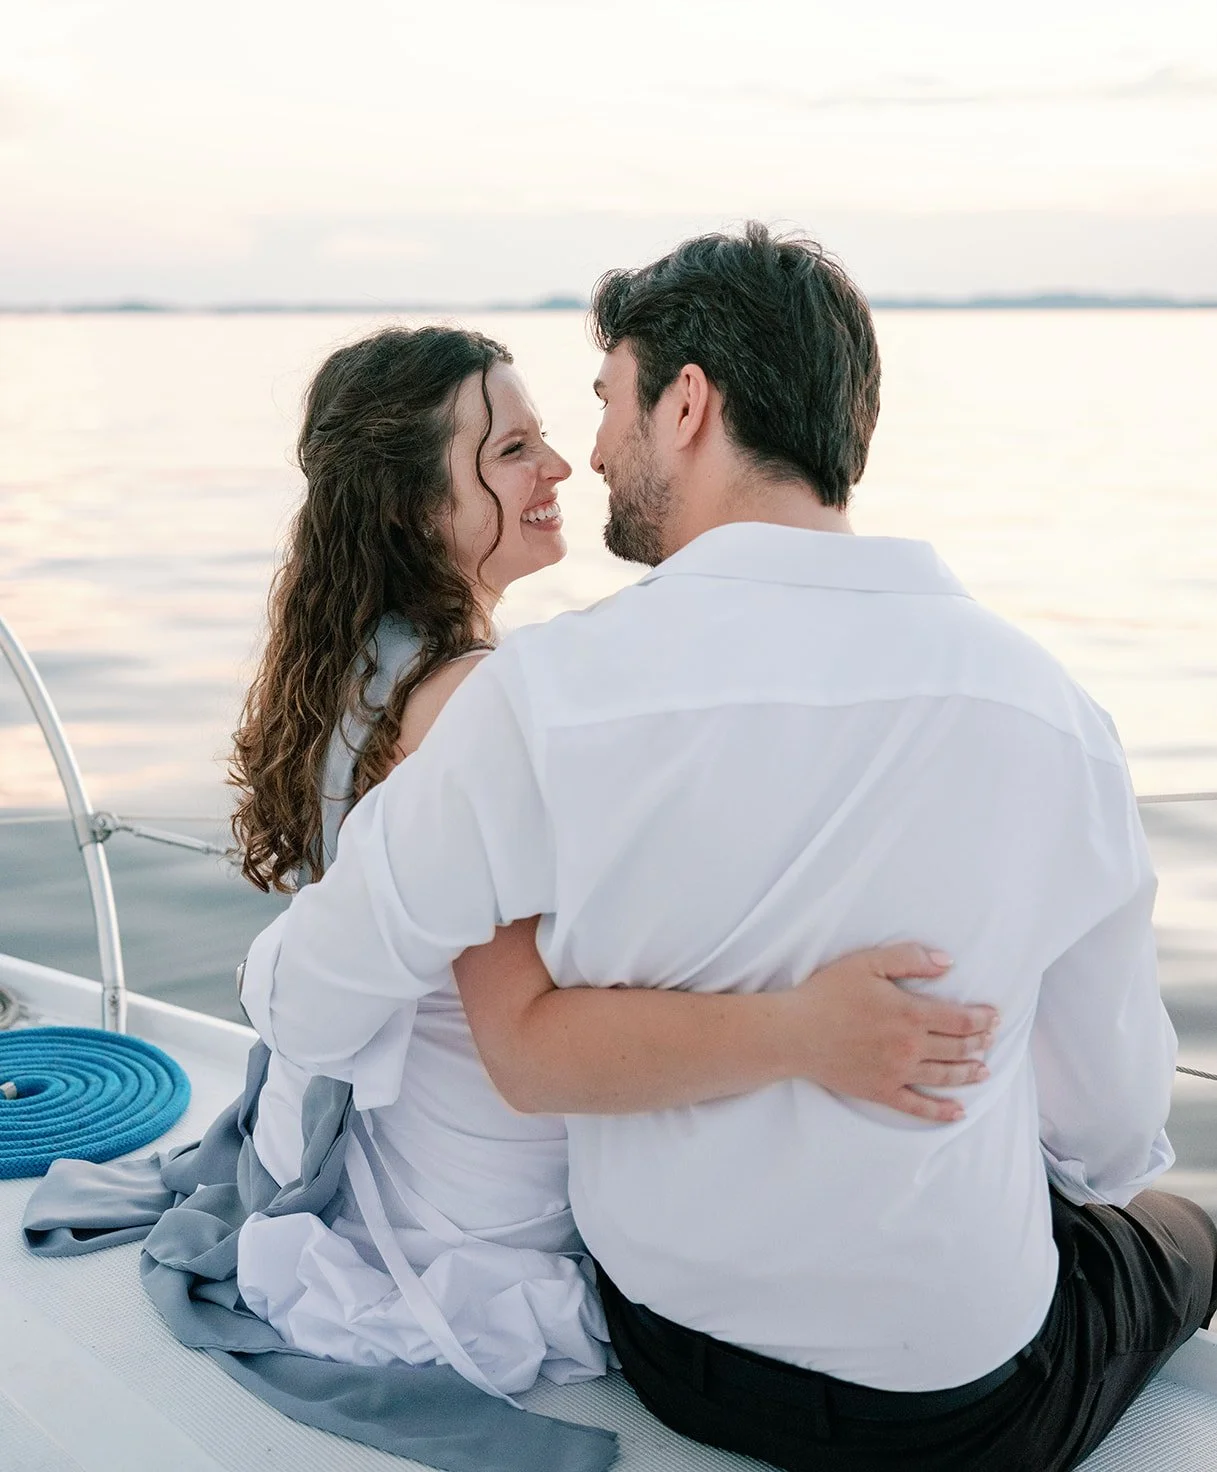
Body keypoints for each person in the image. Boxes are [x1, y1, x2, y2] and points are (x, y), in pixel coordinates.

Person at [239, 225, 1217, 1472]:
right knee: (1171, 1224)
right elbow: (1111, 1131)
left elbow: (302, 993)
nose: (590, 452)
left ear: (686, 405)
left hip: (672, 1354)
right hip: (954, 1407)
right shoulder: (1050, 713)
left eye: (607, 405)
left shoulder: (546, 697)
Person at [228, 323, 996, 1401]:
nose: (560, 464)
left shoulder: (371, 661)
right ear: (415, 506)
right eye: (507, 450)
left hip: (414, 1159)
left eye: (546, 433)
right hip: (493, 1214)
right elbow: (534, 1026)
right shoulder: (461, 706)